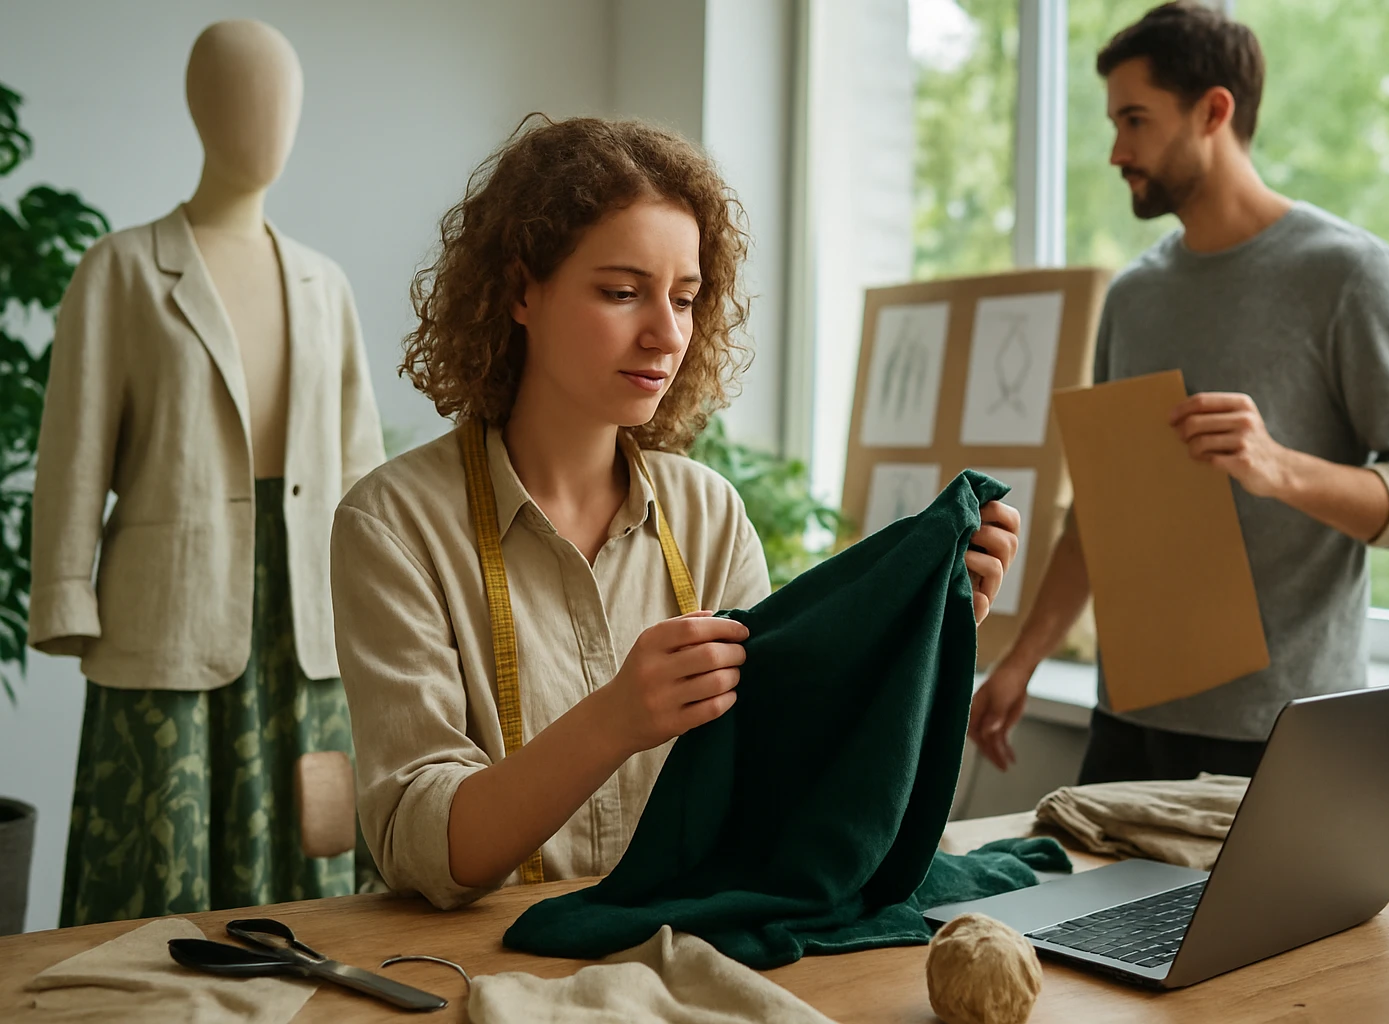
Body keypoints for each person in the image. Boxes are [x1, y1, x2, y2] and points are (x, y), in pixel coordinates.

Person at [332, 116, 1022, 909]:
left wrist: (927, 629)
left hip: (684, 944)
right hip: (477, 967)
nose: (667, 334)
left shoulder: (708, 513)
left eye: (686, 298)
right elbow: (424, 849)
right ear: (521, 290)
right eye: (622, 293)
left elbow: (782, 776)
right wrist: (614, 721)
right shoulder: (394, 525)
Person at [969, 2, 1389, 784]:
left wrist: (1278, 467)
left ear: (1215, 110)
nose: (1116, 151)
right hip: (1127, 728)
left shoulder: (1349, 275)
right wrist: (1020, 662)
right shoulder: (1134, 295)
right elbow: (1101, 509)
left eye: (1135, 120)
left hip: (1285, 740)